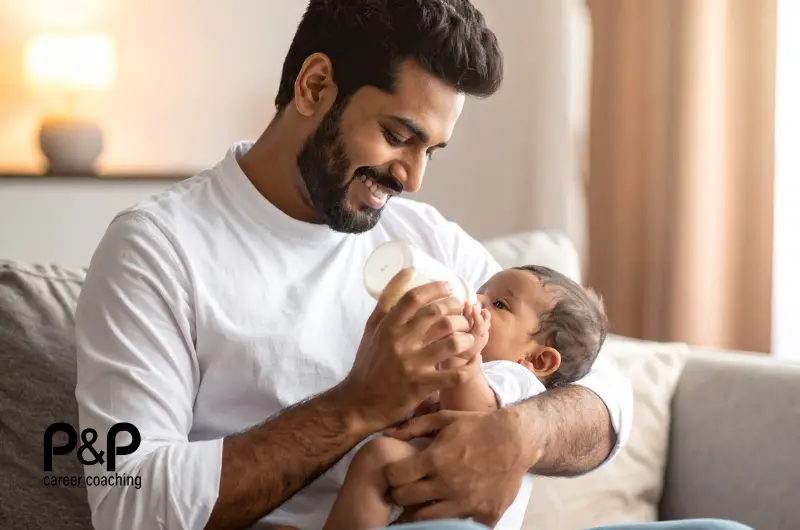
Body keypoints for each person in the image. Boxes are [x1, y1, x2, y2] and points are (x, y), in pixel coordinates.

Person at [73, 1, 752, 530]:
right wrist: (356, 406)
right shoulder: (158, 250)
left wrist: (519, 434)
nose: (413, 177)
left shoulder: (416, 233)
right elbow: (125, 500)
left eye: (432, 150)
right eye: (399, 136)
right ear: (315, 85)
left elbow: (606, 386)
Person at [305, 264, 609, 530]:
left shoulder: (518, 379)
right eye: (480, 292)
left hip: (463, 518)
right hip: (428, 502)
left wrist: (462, 356)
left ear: (538, 360)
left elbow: (476, 416)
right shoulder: (479, 370)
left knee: (380, 458)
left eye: (499, 304)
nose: (476, 301)